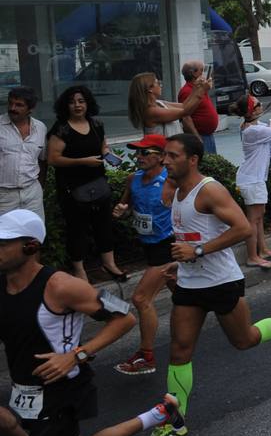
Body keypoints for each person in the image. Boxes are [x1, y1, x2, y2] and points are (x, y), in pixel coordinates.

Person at [0, 209, 183, 436]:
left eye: (3, 242)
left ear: (29, 246)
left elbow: (123, 317)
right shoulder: (3, 283)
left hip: (61, 394)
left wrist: (77, 355)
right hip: (28, 392)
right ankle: (158, 414)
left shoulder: (60, 286)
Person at [139, 134, 271, 436]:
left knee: (245, 340)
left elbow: (242, 228)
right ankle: (175, 426)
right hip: (190, 283)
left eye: (171, 156)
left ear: (192, 159)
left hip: (221, 282)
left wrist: (196, 250)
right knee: (180, 350)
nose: (165, 160)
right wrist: (178, 262)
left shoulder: (208, 190)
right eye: (164, 155)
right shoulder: (177, 189)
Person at [44, 85, 126, 282]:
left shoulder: (96, 124)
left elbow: (102, 147)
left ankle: (109, 263)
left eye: (81, 101)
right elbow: (53, 159)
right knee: (77, 229)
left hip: (97, 183)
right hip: (72, 188)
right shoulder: (62, 129)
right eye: (72, 102)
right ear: (66, 106)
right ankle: (79, 270)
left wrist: (108, 155)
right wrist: (82, 161)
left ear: (88, 103)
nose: (77, 105)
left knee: (103, 225)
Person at [110, 134, 177, 375]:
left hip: (168, 245)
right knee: (182, 292)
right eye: (137, 153)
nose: (139, 157)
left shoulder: (171, 181)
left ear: (161, 157)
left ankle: (146, 356)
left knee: (141, 299)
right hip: (148, 244)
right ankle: (214, 312)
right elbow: (126, 208)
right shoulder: (133, 179)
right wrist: (121, 211)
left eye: (145, 153)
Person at [237, 94, 271, 268]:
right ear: (251, 110)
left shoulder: (254, 126)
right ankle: (252, 256)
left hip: (255, 178)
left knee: (259, 216)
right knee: (253, 219)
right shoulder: (252, 130)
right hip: (251, 180)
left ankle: (263, 250)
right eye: (258, 104)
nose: (261, 106)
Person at [1, 86, 46, 219]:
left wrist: (40, 187)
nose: (12, 108)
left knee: (34, 235)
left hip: (32, 194)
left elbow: (42, 160)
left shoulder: (40, 128)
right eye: (10, 103)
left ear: (30, 109)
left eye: (19, 105)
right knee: (6, 237)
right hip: (3, 196)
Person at [128, 71, 207, 138]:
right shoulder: (150, 111)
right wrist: (203, 90)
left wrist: (196, 88)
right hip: (162, 152)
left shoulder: (158, 103)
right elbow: (185, 111)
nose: (161, 85)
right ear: (150, 89)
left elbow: (183, 106)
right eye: (158, 83)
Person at [178, 61, 221, 154]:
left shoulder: (199, 88)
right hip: (201, 136)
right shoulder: (186, 91)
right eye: (202, 70)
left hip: (207, 135)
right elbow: (186, 117)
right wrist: (198, 138)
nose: (203, 73)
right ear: (193, 73)